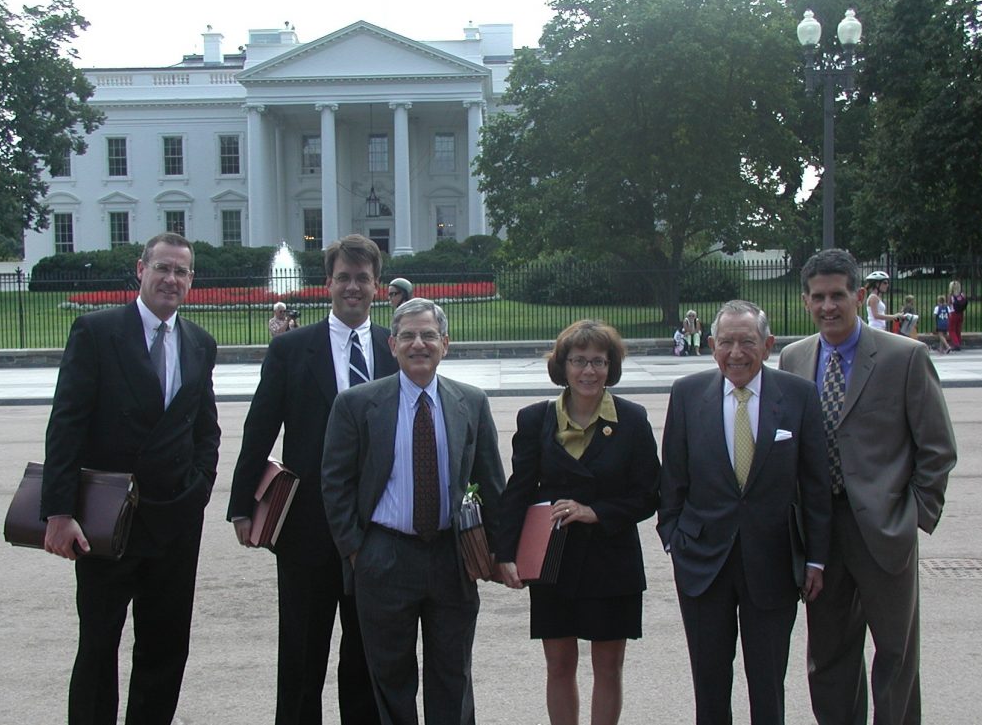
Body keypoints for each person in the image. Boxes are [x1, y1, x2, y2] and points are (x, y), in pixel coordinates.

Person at [41, 232, 221, 725]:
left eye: (181, 271)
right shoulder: (97, 332)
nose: (170, 279)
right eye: (162, 267)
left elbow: (206, 428)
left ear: (191, 281)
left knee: (166, 648)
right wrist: (59, 512)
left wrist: (200, 487)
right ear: (140, 269)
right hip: (107, 520)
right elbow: (66, 425)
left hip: (174, 520)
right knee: (99, 646)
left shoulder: (199, 344)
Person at [780, 249, 957, 725]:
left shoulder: (905, 357)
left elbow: (937, 448)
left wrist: (912, 514)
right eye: (818, 297)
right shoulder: (794, 359)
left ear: (859, 296)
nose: (828, 306)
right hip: (820, 532)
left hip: (885, 528)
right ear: (805, 302)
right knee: (828, 654)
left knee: (896, 654)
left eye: (838, 295)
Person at [229, 235, 397, 725]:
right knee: (302, 655)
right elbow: (260, 427)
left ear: (376, 285)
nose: (352, 287)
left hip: (377, 526)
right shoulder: (292, 350)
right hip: (306, 527)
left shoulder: (394, 348)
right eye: (343, 277)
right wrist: (242, 504)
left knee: (366, 657)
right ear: (327, 283)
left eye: (362, 279)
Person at [320, 297, 506, 725]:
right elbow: (335, 482)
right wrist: (356, 552)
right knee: (389, 677)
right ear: (392, 344)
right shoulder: (356, 403)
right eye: (408, 335)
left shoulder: (471, 403)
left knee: (453, 674)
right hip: (384, 557)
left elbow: (492, 482)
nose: (418, 344)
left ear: (446, 343)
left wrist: (500, 551)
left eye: (428, 335)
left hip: (451, 558)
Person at [658, 300, 831, 725]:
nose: (736, 352)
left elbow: (815, 484)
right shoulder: (686, 394)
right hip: (702, 562)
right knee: (709, 681)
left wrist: (815, 557)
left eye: (747, 342)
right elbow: (673, 477)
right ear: (712, 345)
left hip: (773, 560)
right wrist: (674, 538)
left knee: (768, 681)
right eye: (727, 342)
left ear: (768, 345)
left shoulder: (798, 396)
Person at [496, 320, 660, 725]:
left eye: (599, 362)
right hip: (556, 559)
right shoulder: (535, 420)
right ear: (563, 366)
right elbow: (517, 490)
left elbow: (649, 495)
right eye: (579, 361)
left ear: (611, 367)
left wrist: (596, 512)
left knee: (608, 666)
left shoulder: (633, 419)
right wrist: (505, 554)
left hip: (611, 558)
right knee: (559, 665)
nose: (589, 371)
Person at [948, 280, 966, 350]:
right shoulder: (962, 295)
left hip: (953, 313)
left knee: (952, 330)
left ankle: (956, 344)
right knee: (958, 329)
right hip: (960, 313)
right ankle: (959, 342)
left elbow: (949, 304)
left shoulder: (951, 296)